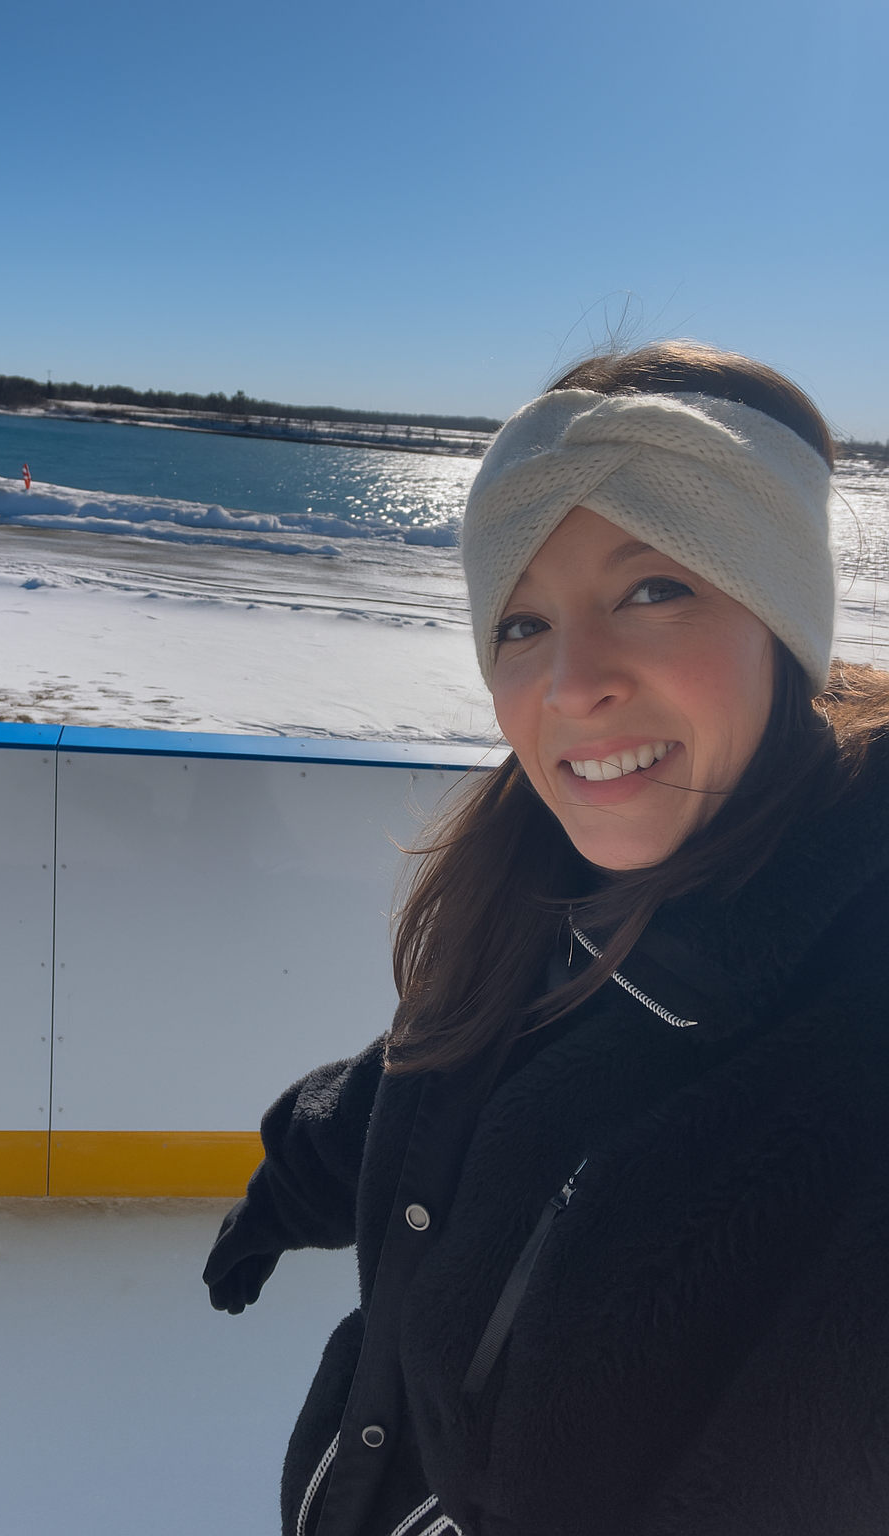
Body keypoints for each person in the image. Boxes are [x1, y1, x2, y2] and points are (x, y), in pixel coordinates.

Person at [204, 342, 889, 1536]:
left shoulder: (850, 1024)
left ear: (784, 622)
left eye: (653, 588)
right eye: (521, 622)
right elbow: (435, 1078)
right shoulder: (540, 882)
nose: (570, 686)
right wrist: (287, 1183)